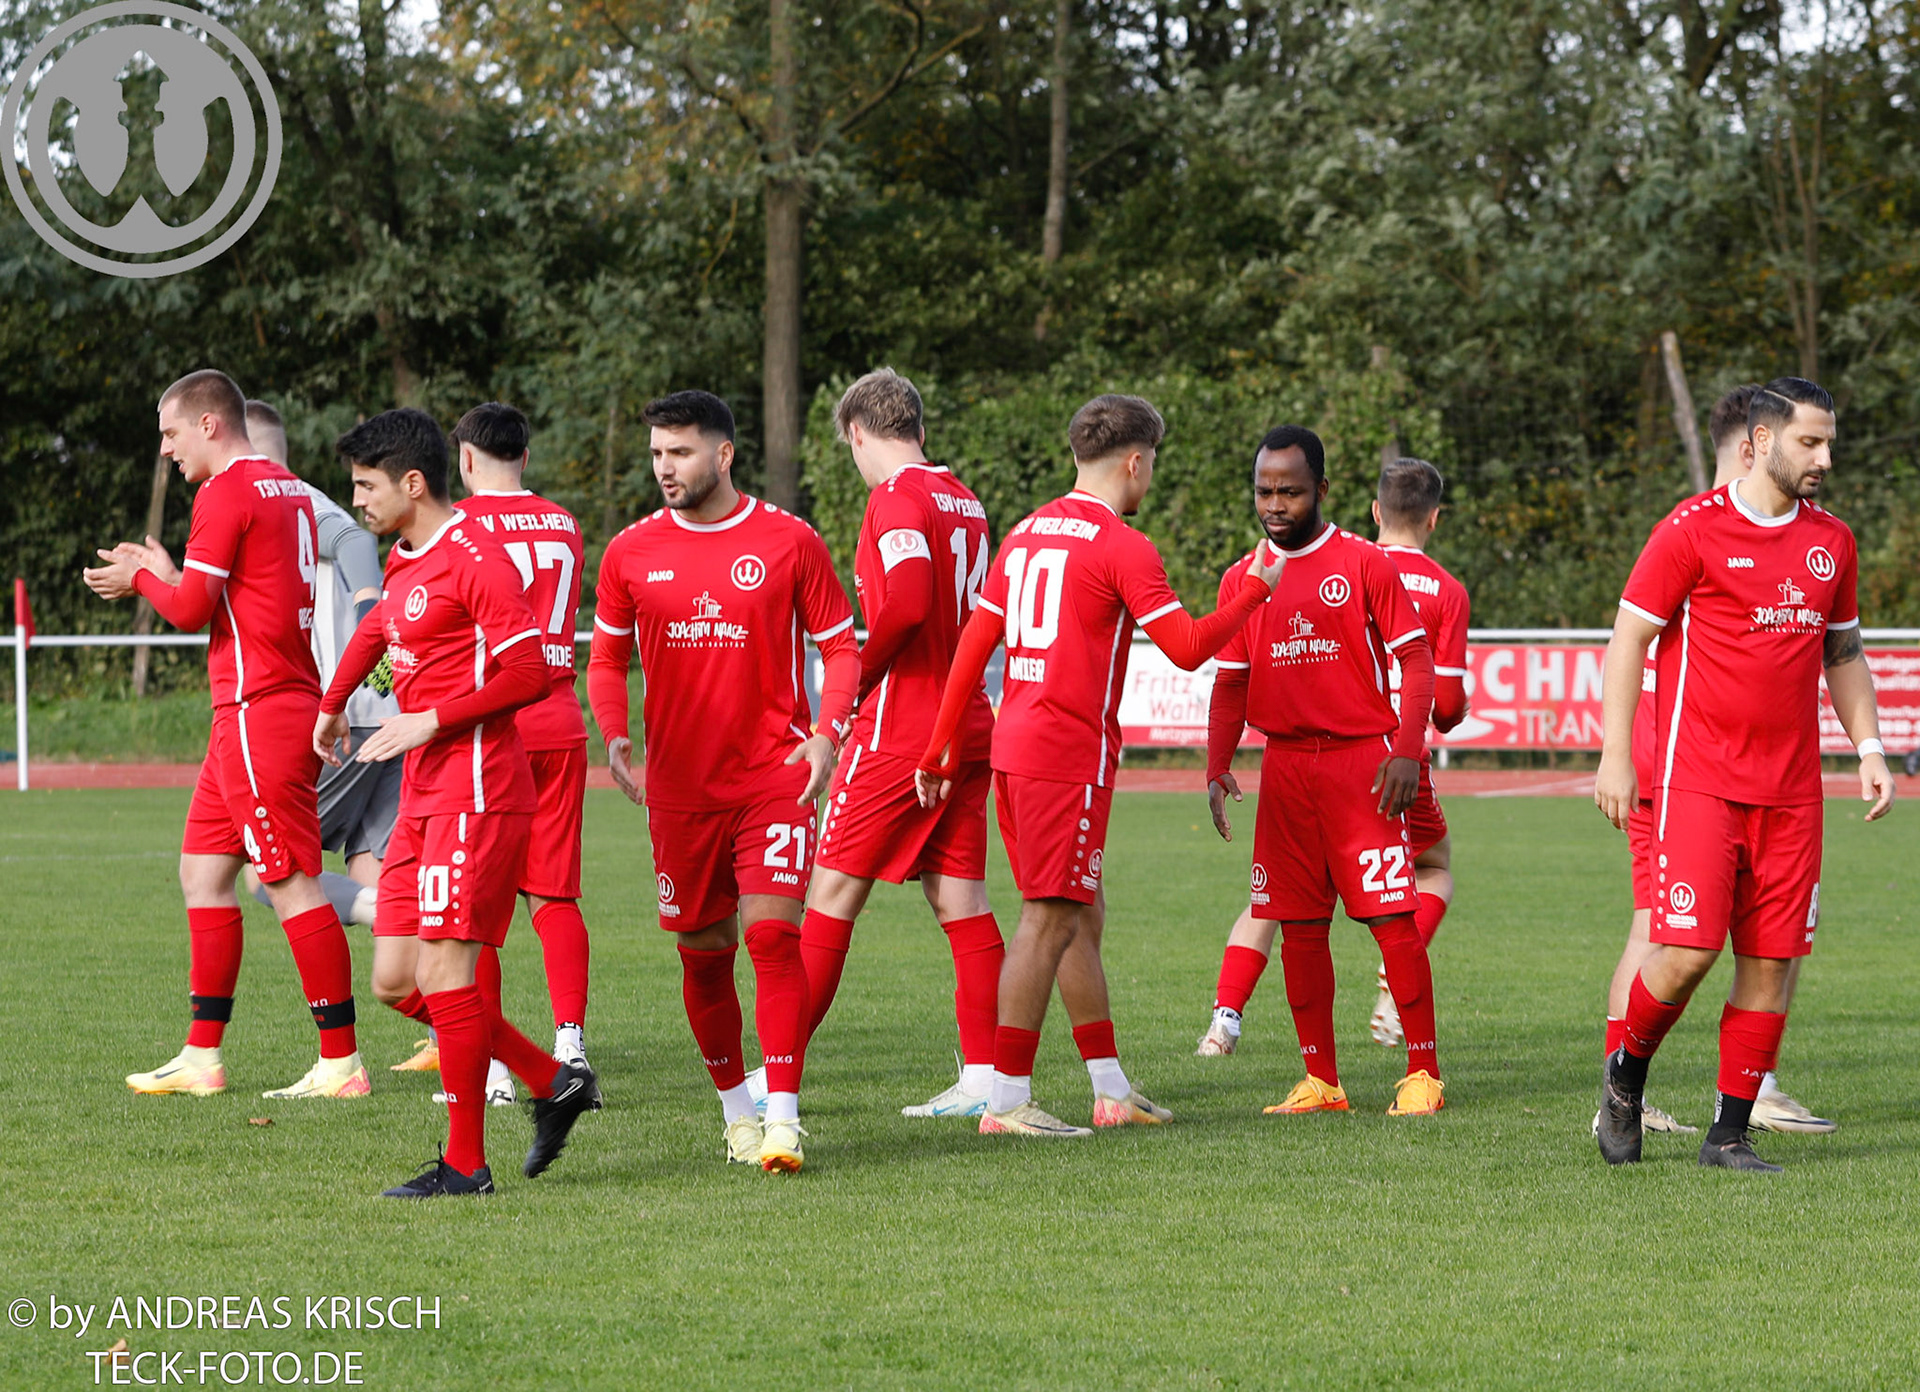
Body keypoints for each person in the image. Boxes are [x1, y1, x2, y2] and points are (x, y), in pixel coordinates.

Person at [916, 394, 1283, 1138]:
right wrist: (1255, 588)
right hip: (1066, 758)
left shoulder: (1025, 532)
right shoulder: (1121, 544)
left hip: (1017, 751)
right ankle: (1006, 1100)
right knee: (1049, 917)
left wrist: (939, 746)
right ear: (1136, 462)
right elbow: (1187, 647)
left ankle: (1111, 1090)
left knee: (1081, 912)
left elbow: (973, 645)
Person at [1594, 377, 1894, 1172]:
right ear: (1761, 442)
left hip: (1792, 795)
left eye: (1828, 443)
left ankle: (1728, 1134)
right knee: (1686, 953)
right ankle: (1624, 1078)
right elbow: (1629, 638)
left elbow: (1844, 654)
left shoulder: (1833, 542)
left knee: (1770, 961)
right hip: (1698, 782)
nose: (1823, 458)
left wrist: (1869, 748)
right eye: (1808, 442)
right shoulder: (1690, 530)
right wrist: (1616, 754)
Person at [314, 408, 596, 1197]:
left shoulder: (476, 557)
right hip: (425, 794)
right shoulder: (407, 555)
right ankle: (552, 1079)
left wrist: (430, 719)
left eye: (366, 486)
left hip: (477, 792)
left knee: (445, 974)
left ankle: (467, 1165)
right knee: (396, 980)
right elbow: (380, 628)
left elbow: (529, 673)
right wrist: (331, 706)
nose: (358, 501)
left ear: (412, 483)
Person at [588, 390, 860, 1174]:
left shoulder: (789, 541)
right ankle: (737, 1114)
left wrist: (826, 734)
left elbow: (842, 648)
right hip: (680, 791)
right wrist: (614, 735)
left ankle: (784, 1120)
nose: (664, 468)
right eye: (656, 454)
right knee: (705, 957)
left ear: (724, 454)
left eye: (680, 452)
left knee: (773, 937)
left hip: (775, 776)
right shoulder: (630, 552)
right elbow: (605, 659)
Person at [84, 370, 367, 1101]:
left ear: (209, 424)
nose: (166, 449)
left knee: (291, 881)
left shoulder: (224, 491)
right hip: (261, 706)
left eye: (170, 433)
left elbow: (187, 611)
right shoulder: (287, 487)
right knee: (203, 873)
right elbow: (232, 596)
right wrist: (171, 573)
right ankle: (201, 1056)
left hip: (256, 709)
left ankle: (341, 1063)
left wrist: (141, 581)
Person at [1202, 426, 1441, 1118]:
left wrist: (1406, 750)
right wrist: (1217, 764)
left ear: (1322, 490)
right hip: (1284, 770)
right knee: (1300, 928)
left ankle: (1423, 1074)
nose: (1275, 504)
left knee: (1392, 919)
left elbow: (1416, 661)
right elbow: (1231, 682)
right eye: (1264, 491)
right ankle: (1322, 1080)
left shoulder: (1364, 563)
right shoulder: (1242, 578)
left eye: (1291, 491)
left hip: (1360, 765)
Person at [789, 369, 1005, 1118]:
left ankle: (778, 1072)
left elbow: (909, 601)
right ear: (918, 426)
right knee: (961, 899)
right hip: (966, 720)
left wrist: (855, 680)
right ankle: (987, 1079)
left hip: (900, 726)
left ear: (855, 433)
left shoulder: (896, 497)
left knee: (830, 895)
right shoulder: (965, 499)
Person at [453, 403, 597, 1092]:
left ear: (465, 459)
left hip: (491, 722)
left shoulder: (459, 526)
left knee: (476, 905)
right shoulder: (564, 523)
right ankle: (571, 1044)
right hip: (560, 719)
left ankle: (494, 1062)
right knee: (554, 895)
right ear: (526, 457)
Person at [238, 399, 391, 939]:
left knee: (266, 869)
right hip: (383, 708)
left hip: (344, 715)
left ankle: (405, 919)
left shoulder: (290, 501)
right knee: (373, 873)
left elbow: (353, 538)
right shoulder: (276, 506)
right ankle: (442, 992)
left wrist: (370, 609)